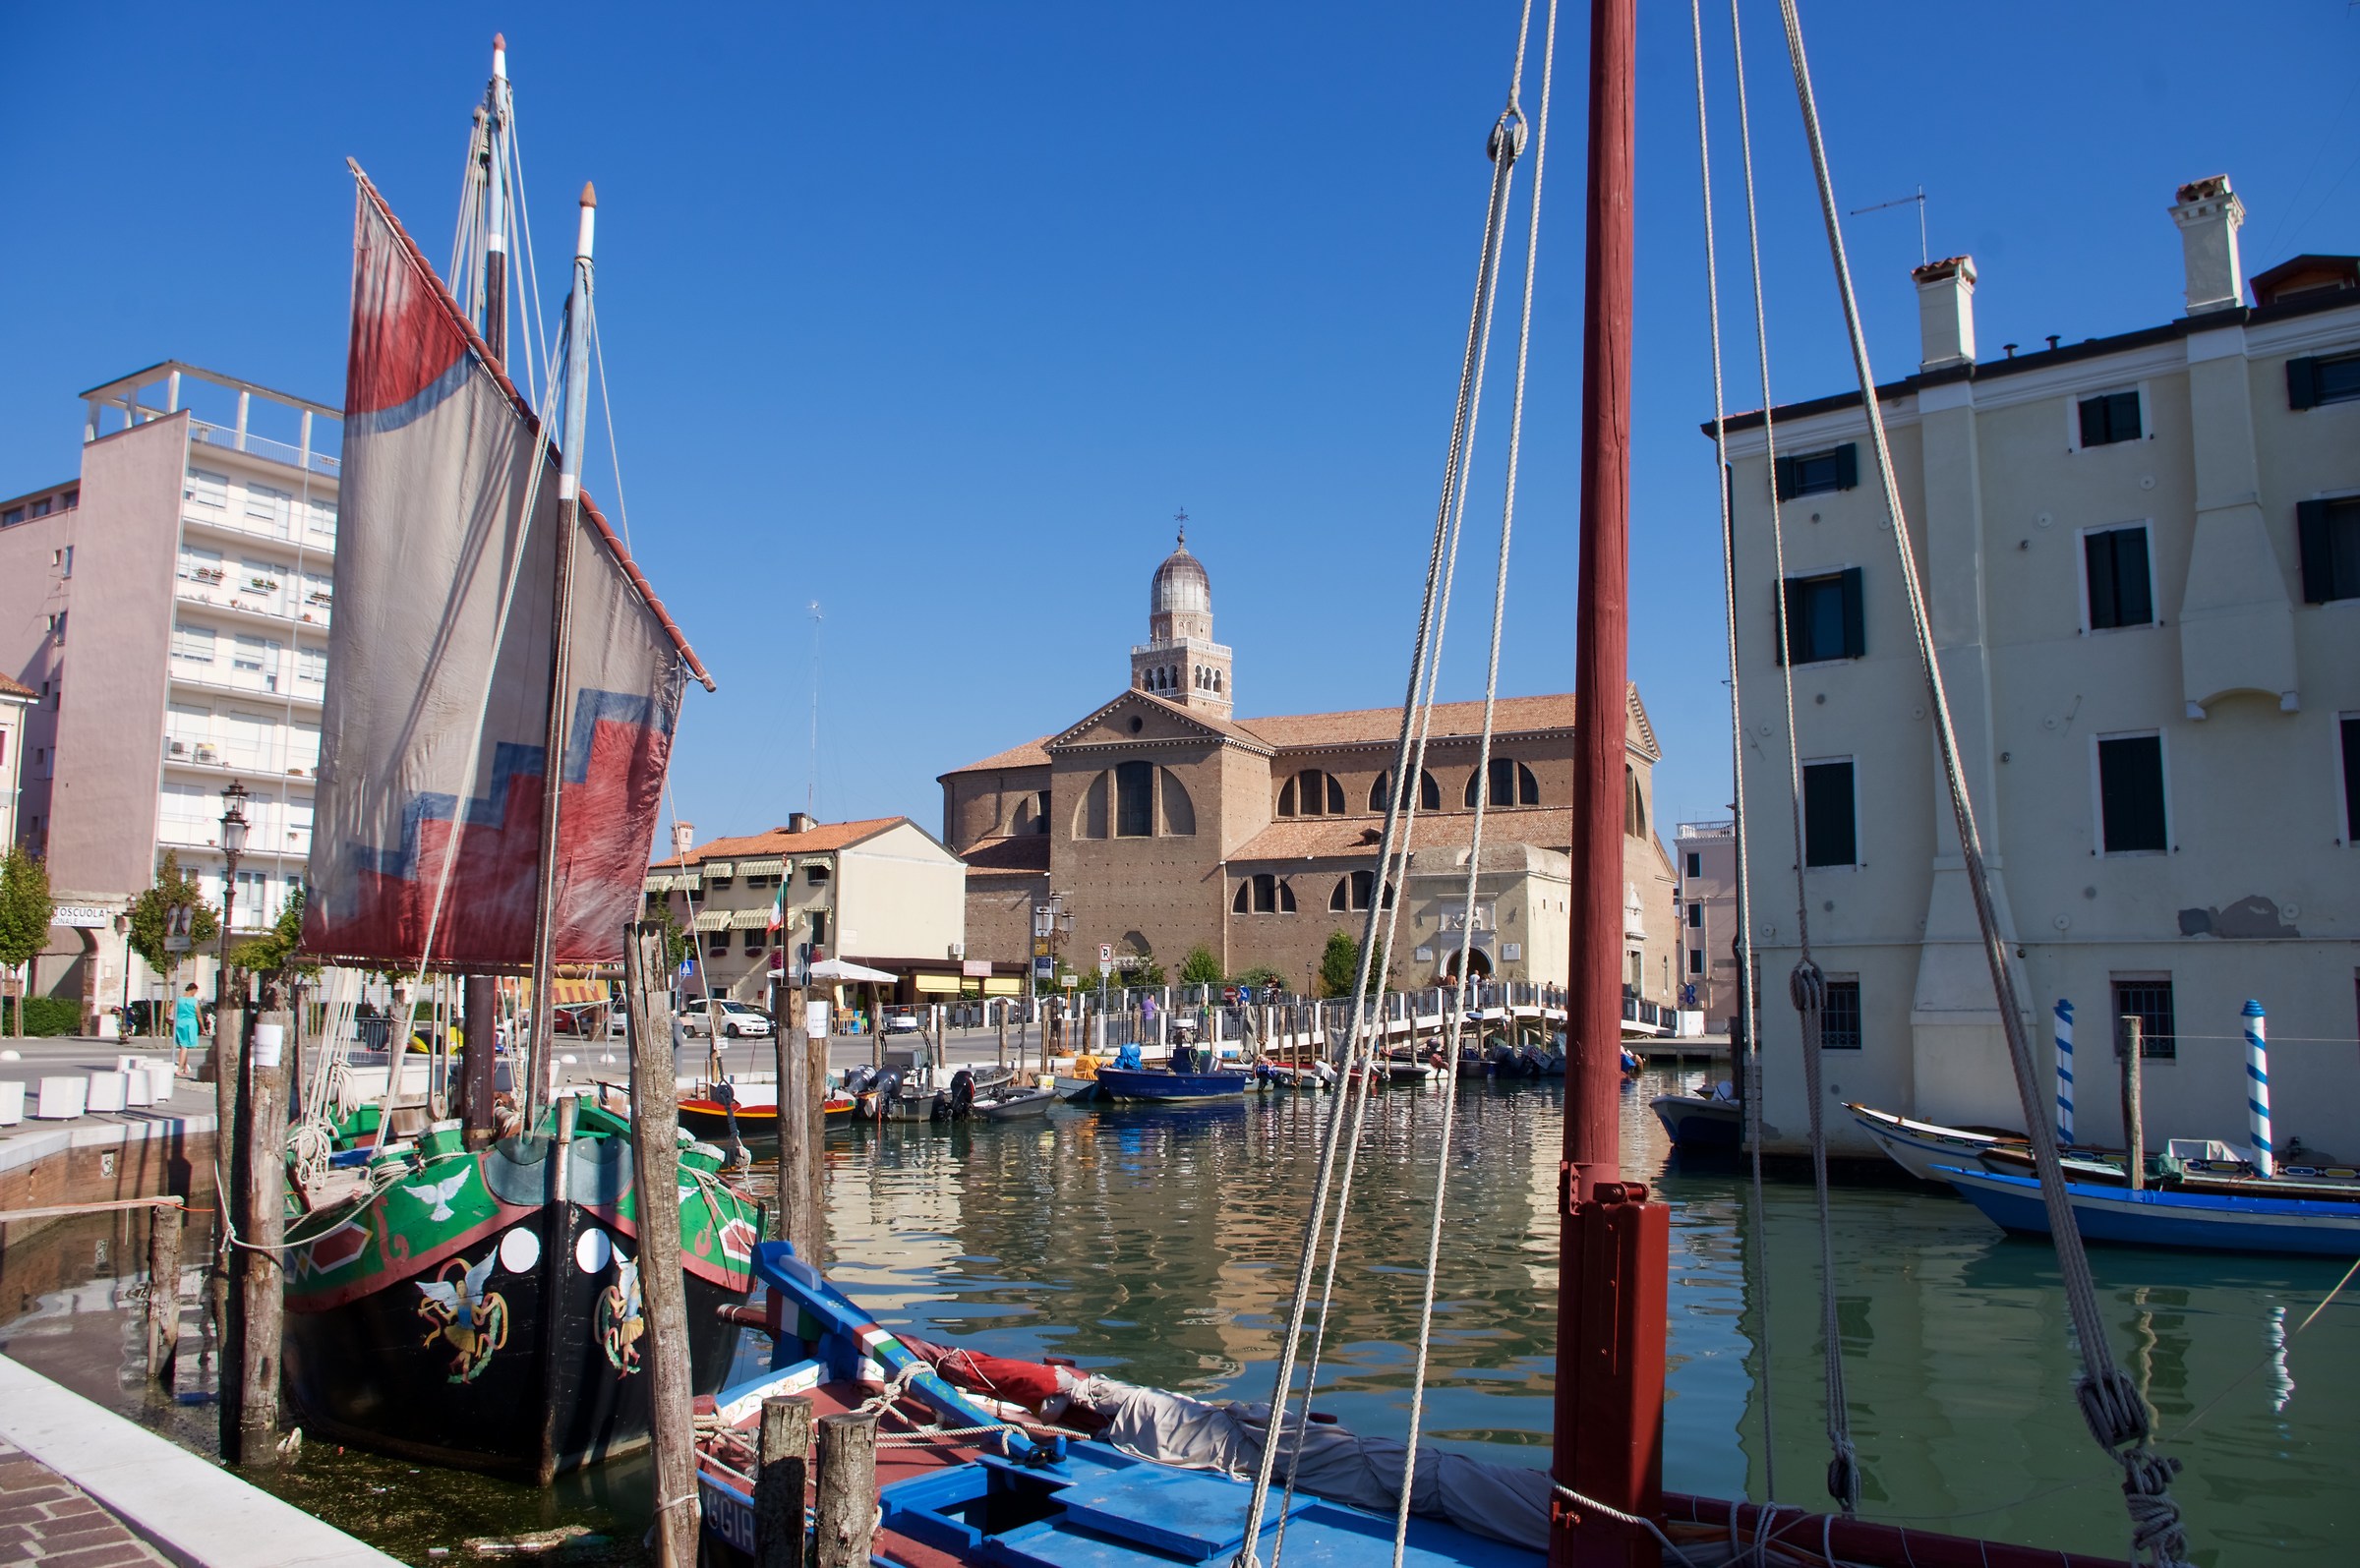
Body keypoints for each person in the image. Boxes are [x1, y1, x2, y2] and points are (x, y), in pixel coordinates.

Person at [172, 983, 203, 1074]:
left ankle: (185, 1067)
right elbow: (199, 1015)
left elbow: (170, 1011)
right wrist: (203, 1027)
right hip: (190, 1024)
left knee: (183, 1045)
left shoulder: (178, 999)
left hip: (179, 1023)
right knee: (185, 1046)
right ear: (193, 990)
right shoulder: (194, 1001)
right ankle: (179, 1069)